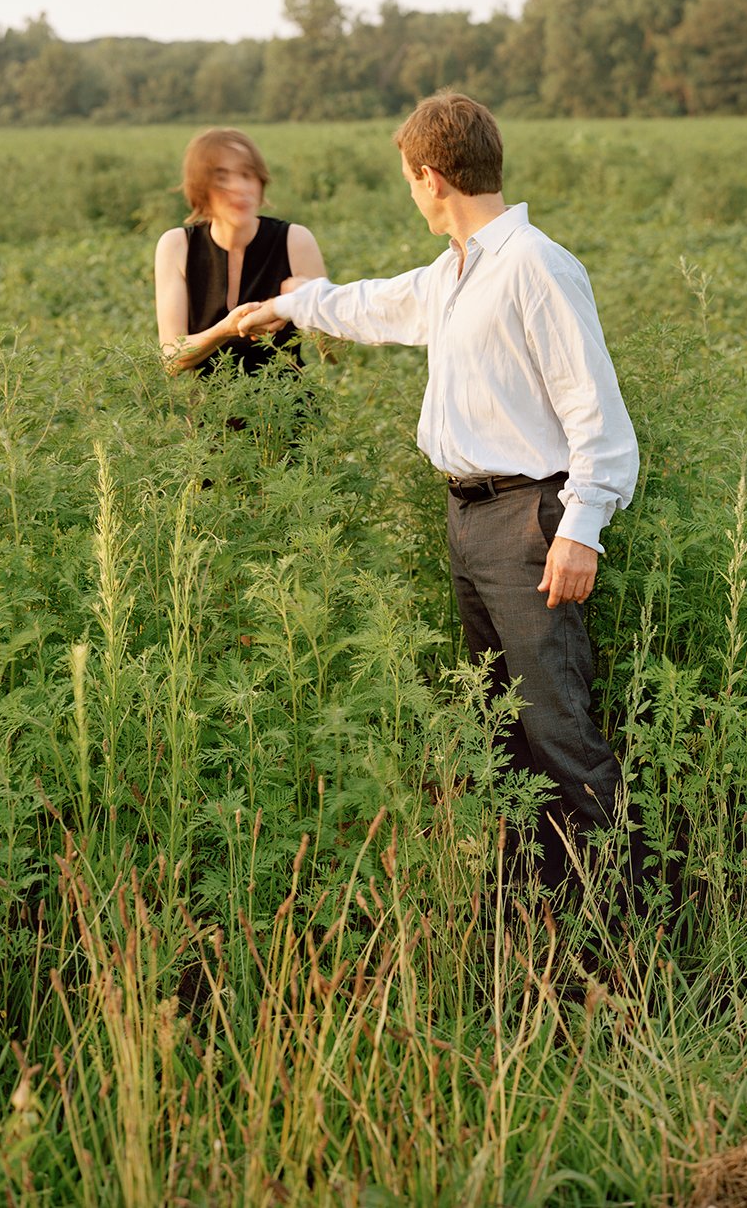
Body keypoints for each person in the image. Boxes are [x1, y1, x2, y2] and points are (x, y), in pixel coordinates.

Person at [238, 93, 640, 902]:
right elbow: (374, 303)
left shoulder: (534, 264)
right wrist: (282, 307)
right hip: (467, 518)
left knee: (558, 730)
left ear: (430, 178)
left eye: (408, 180)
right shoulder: (457, 270)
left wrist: (581, 529)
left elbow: (597, 413)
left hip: (528, 521)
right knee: (503, 729)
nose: (410, 194)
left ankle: (624, 927)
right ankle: (539, 908)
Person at [154, 128, 326, 376]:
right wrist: (225, 329)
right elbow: (171, 359)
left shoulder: (296, 241)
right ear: (200, 187)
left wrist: (315, 304)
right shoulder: (177, 246)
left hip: (289, 412)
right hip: (211, 413)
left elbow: (333, 354)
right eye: (222, 178)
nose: (239, 187)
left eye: (247, 175)